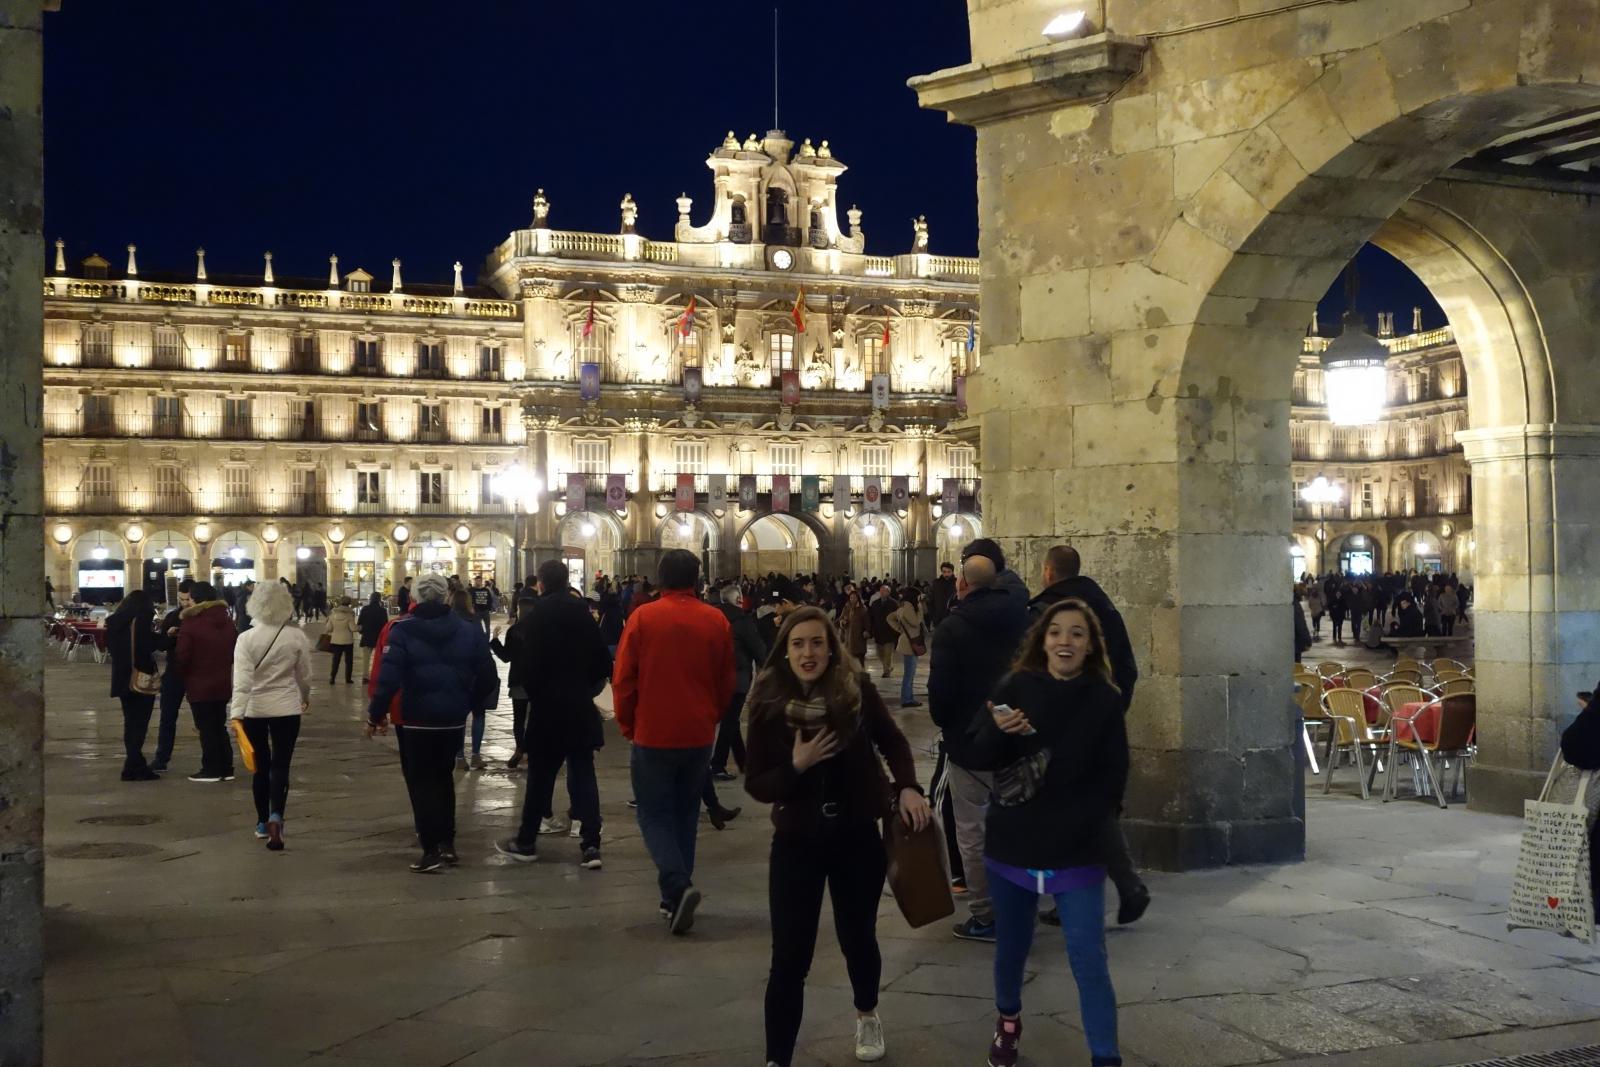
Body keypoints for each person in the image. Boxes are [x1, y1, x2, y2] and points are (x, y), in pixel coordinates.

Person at [744, 606, 931, 1067]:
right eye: (798, 644)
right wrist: (797, 765)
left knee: (858, 936)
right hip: (796, 841)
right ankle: (777, 1058)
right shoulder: (768, 703)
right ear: (785, 652)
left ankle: (867, 1012)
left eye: (817, 642)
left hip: (855, 836)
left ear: (831, 648)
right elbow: (757, 783)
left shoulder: (855, 690)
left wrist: (908, 786)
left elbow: (893, 741)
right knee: (789, 956)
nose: (808, 652)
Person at [966, 599, 1128, 1067]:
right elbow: (977, 755)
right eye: (1056, 632)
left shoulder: (1104, 698)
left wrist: (1089, 821)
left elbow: (1115, 775)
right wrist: (999, 731)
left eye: (1077, 633)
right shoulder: (1015, 686)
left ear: (1090, 645)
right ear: (1043, 639)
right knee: (1012, 948)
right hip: (1013, 845)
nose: (1065, 641)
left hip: (1076, 850)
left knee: (1089, 958)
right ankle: (1008, 1021)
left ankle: (1106, 1057)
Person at [611, 549, 734, 934]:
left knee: (653, 814)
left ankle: (678, 886)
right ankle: (673, 899)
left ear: (660, 579)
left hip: (653, 732)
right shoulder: (716, 620)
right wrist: (710, 716)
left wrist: (628, 724)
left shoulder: (643, 618)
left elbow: (624, 679)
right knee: (685, 814)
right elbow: (726, 680)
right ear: (697, 579)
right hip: (698, 733)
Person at [1026, 544, 1148, 925]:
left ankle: (1079, 897)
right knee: (1094, 809)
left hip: (1064, 725)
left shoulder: (1049, 610)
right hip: (1101, 719)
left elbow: (1033, 669)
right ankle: (1125, 887)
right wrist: (1112, 710)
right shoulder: (1102, 605)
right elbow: (1126, 666)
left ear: (1048, 571)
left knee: (1067, 812)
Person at [929, 543, 1031, 943]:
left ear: (962, 582)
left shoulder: (952, 628)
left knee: (972, 832)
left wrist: (950, 724)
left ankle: (986, 915)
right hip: (1014, 738)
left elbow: (940, 698)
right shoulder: (1023, 617)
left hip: (969, 745)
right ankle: (1019, 907)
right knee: (1016, 828)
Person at [365, 573, 499, 873]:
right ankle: (448, 843)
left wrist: (376, 714)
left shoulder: (402, 630)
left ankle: (430, 849)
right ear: (446, 596)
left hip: (416, 719)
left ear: (415, 597)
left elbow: (388, 679)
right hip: (451, 720)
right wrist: (467, 702)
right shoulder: (468, 630)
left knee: (421, 781)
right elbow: (488, 676)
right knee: (443, 778)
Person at [496, 561, 615, 870]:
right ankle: (591, 845)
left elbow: (526, 667)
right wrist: (584, 689)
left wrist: (540, 694)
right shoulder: (583, 614)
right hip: (579, 707)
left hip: (547, 709)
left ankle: (526, 841)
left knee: (540, 778)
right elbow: (603, 662)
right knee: (584, 775)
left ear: (541, 584)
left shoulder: (537, 616)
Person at [229, 581, 312, 850]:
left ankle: (262, 822)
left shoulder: (246, 638)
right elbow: (304, 675)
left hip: (254, 709)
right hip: (286, 708)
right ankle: (277, 814)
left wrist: (236, 714)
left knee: (260, 767)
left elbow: (242, 681)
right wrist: (305, 696)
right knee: (281, 765)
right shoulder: (296, 636)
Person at [176, 581, 239, 783]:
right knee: (219, 725)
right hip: (222, 682)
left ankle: (211, 769)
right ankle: (226, 767)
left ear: (195, 599)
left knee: (206, 727)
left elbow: (183, 656)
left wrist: (181, 674)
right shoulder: (227, 621)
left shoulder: (191, 623)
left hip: (199, 683)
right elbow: (235, 650)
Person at [710, 582, 769, 782]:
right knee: (729, 722)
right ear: (738, 600)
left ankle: (744, 761)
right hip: (737, 679)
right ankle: (717, 765)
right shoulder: (743, 621)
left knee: (731, 720)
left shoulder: (712, 618)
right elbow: (758, 649)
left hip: (716, 679)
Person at [106, 589, 161, 781]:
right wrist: (166, 638)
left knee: (130, 723)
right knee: (139, 725)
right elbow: (145, 644)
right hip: (139, 678)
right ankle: (134, 766)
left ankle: (133, 764)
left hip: (122, 678)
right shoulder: (141, 619)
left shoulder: (114, 622)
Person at [150, 578, 196, 773]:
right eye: (181, 599)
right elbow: (160, 645)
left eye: (188, 599)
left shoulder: (201, 618)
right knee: (167, 717)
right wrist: (169, 636)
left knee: (203, 719)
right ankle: (161, 758)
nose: (184, 603)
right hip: (174, 672)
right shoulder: (173, 616)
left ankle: (213, 760)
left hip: (196, 673)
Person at [489, 592, 538, 771]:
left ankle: (519, 749)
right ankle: (533, 750)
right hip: (538, 681)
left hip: (519, 681)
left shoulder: (514, 631)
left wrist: (495, 640)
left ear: (520, 610)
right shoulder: (542, 630)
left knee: (519, 719)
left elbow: (505, 657)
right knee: (535, 718)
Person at [449, 589, 488, 770]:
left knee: (459, 718)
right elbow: (482, 648)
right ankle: (476, 755)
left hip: (456, 675)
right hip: (476, 674)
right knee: (479, 714)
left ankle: (459, 757)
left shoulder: (448, 622)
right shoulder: (475, 621)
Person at [890, 590, 926, 708]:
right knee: (909, 673)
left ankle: (908, 698)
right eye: (918, 596)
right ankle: (906, 699)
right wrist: (920, 608)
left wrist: (900, 629)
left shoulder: (904, 606)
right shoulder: (908, 607)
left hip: (910, 641)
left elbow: (890, 618)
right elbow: (916, 622)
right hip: (909, 644)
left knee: (910, 673)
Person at [323, 596, 359, 684]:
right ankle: (348, 679)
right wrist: (360, 627)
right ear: (349, 603)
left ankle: (332, 678)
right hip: (348, 641)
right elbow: (353, 628)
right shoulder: (350, 615)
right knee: (349, 661)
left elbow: (328, 628)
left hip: (335, 641)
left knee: (335, 660)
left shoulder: (332, 615)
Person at [868, 584, 900, 679]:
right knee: (880, 653)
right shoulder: (875, 603)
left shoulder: (894, 604)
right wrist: (870, 630)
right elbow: (871, 617)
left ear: (888, 592)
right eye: (881, 591)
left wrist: (897, 630)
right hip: (878, 632)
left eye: (884, 591)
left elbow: (898, 617)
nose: (882, 592)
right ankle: (888, 667)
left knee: (888, 653)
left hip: (889, 632)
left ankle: (886, 671)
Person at [357, 591, 388, 683]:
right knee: (379, 657)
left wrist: (362, 631)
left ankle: (365, 676)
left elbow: (360, 623)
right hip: (378, 636)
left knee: (366, 658)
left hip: (367, 636)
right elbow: (385, 625)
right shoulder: (382, 611)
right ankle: (378, 675)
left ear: (370, 598)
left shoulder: (365, 609)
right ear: (379, 599)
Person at [838, 586, 870, 666]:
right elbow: (841, 618)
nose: (852, 599)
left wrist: (867, 631)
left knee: (860, 662)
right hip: (849, 638)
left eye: (854, 597)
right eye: (851, 597)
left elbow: (867, 622)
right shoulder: (847, 608)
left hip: (859, 639)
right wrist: (843, 622)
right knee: (850, 663)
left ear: (858, 598)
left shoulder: (862, 609)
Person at [929, 561, 956, 628]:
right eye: (944, 572)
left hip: (952, 618)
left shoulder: (956, 583)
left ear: (952, 572)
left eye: (948, 572)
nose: (946, 574)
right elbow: (932, 600)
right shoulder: (936, 583)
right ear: (941, 572)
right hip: (938, 618)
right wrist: (933, 617)